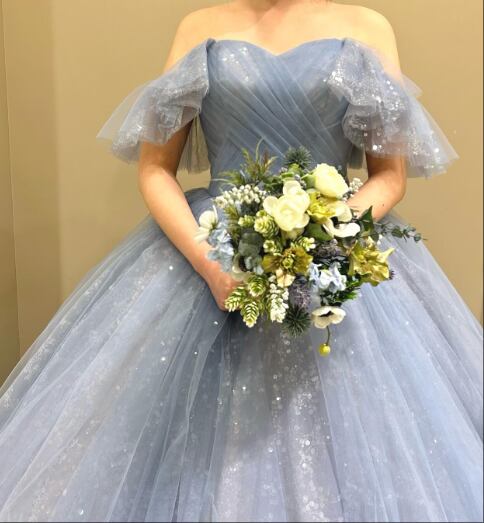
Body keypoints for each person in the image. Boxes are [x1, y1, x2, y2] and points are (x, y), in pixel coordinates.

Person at [0, 1, 482, 521]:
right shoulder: (200, 28)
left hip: (332, 250)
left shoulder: (367, 29)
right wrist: (209, 263)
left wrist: (324, 237)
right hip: (210, 251)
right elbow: (154, 169)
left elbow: (390, 175)